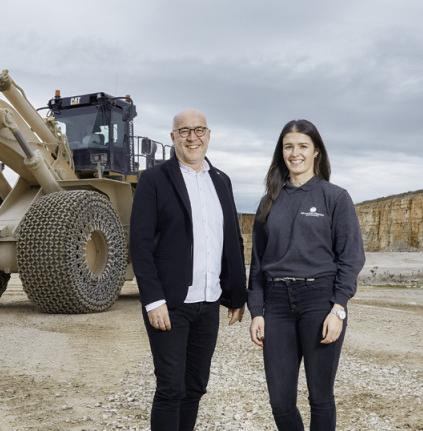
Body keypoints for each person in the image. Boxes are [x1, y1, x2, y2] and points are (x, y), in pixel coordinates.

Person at [130, 108, 248, 430]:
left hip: (208, 303)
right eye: (184, 131)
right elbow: (139, 245)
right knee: (171, 388)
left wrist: (237, 294)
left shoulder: (221, 181)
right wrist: (153, 300)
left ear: (208, 135)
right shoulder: (154, 180)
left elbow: (231, 240)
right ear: (173, 138)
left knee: (195, 386)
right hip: (170, 304)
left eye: (199, 130)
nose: (192, 137)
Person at [247, 119, 365, 431]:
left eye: (302, 146)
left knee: (320, 397)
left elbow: (351, 258)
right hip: (276, 306)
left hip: (319, 302)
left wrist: (338, 308)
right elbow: (257, 264)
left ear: (316, 153)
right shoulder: (268, 202)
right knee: (281, 401)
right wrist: (256, 312)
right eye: (288, 146)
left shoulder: (335, 197)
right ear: (281, 152)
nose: (294, 152)